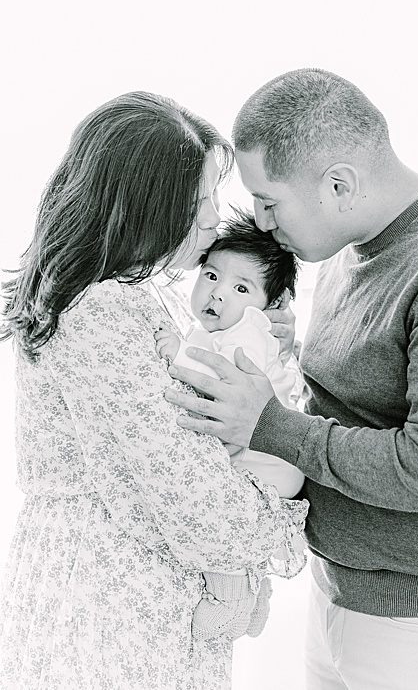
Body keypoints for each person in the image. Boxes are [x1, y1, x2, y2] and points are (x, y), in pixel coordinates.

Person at [163, 68, 418, 690]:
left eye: (269, 201)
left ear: (338, 184)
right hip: (340, 597)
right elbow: (360, 402)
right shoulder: (344, 249)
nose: (257, 222)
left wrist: (271, 424)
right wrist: (285, 363)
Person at [0, 92, 308, 690]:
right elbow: (191, 497)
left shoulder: (112, 300)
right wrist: (281, 515)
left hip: (104, 597)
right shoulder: (104, 311)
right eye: (199, 203)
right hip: (113, 610)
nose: (214, 221)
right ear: (147, 206)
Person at [154, 210, 307, 640]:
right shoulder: (219, 328)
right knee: (230, 519)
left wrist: (176, 354)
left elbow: (225, 381)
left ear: (268, 306)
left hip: (269, 459)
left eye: (241, 288)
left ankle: (231, 599)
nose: (218, 294)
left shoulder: (251, 331)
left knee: (217, 511)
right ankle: (253, 595)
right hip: (265, 454)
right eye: (211, 275)